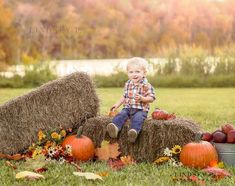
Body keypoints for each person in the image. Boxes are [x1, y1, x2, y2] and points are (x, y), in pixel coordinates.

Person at [107, 57, 156, 143]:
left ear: (144, 73)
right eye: (131, 72)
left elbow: (151, 98)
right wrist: (117, 104)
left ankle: (133, 132)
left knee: (138, 118)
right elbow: (124, 96)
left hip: (140, 110)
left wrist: (142, 98)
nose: (134, 74)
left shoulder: (146, 85)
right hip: (128, 108)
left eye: (137, 71)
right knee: (121, 114)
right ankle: (115, 128)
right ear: (128, 73)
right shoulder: (128, 84)